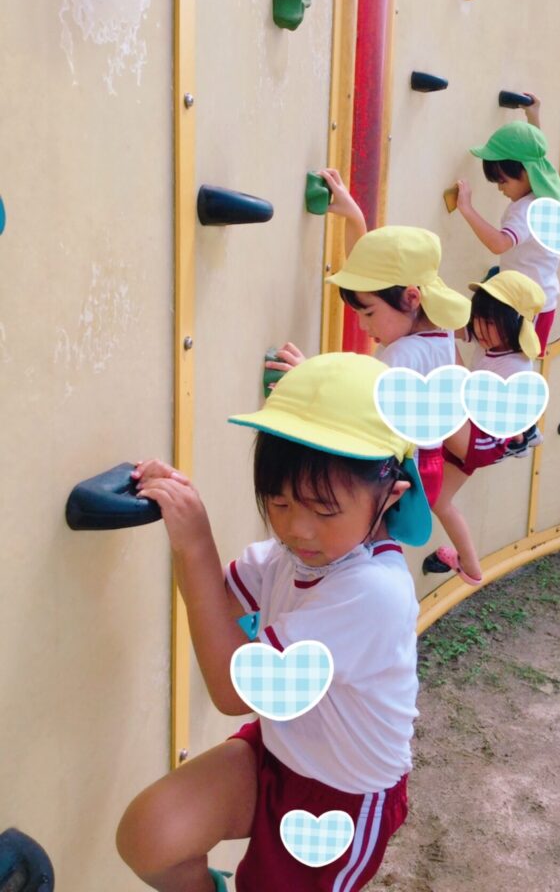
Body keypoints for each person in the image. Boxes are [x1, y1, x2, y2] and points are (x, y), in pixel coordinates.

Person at [116, 353, 433, 892]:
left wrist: (196, 544)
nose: (297, 529)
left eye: (323, 509)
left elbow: (233, 691)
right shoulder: (293, 556)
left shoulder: (372, 592)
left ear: (390, 495)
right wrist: (178, 506)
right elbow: (218, 602)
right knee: (150, 836)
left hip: (343, 797)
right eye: (279, 503)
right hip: (278, 751)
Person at [273, 227, 471, 508]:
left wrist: (306, 375)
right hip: (428, 466)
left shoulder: (404, 353)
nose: (363, 325)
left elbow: (359, 402)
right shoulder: (442, 335)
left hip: (400, 469)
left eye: (368, 313)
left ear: (411, 298)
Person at [422, 271, 546, 586]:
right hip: (472, 435)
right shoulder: (489, 339)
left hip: (483, 439)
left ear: (515, 324)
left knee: (441, 398)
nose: (480, 329)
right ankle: (471, 567)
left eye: (489, 322)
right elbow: (451, 325)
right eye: (478, 319)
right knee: (439, 501)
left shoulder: (517, 366)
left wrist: (519, 433)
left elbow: (509, 417)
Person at [454, 94, 560, 357]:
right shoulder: (546, 188)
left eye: (503, 181)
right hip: (536, 299)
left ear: (525, 173)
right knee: (508, 351)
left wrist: (467, 208)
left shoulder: (526, 211)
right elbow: (535, 149)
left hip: (527, 308)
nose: (500, 189)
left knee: (514, 358)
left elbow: (499, 243)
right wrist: (533, 116)